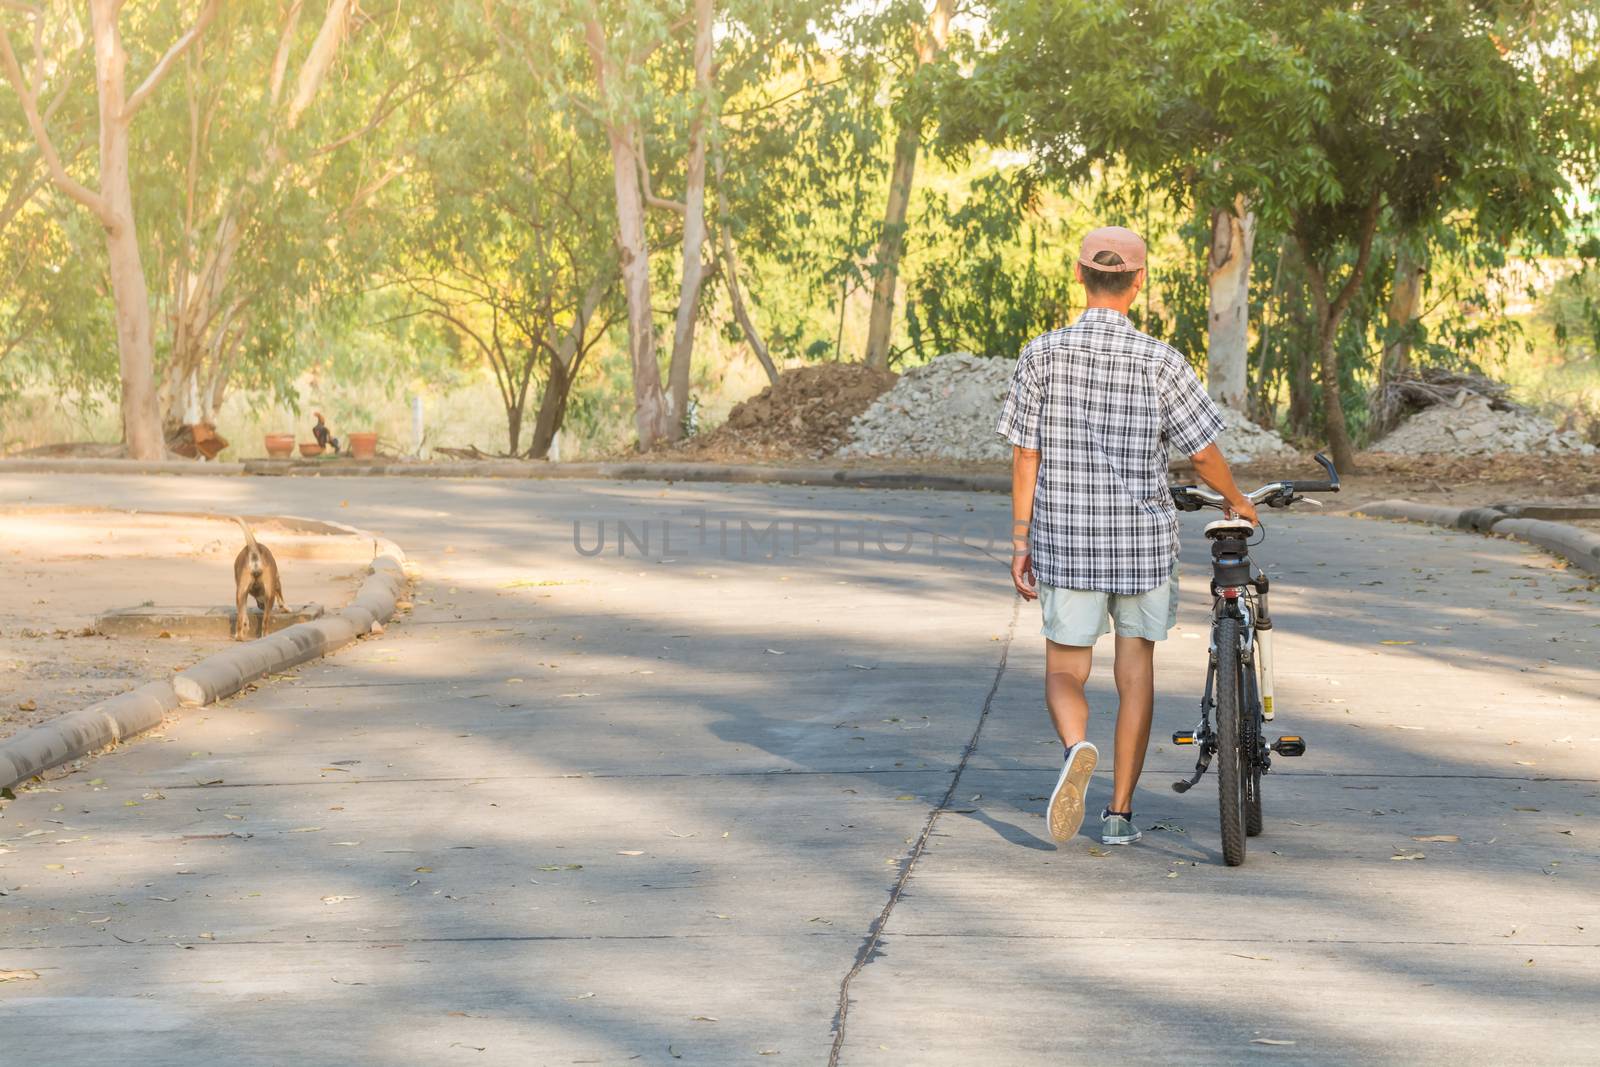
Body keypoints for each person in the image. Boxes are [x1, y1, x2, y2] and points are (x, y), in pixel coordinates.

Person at [995, 225, 1258, 847]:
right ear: (1139, 283)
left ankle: (1075, 745)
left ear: (1081, 277)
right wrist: (1236, 498)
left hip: (1067, 541)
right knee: (1134, 674)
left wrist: (1020, 540)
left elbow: (1025, 455)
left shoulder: (1042, 355)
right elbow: (1201, 454)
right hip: (1141, 545)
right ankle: (1117, 816)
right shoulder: (1161, 361)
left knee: (1065, 672)